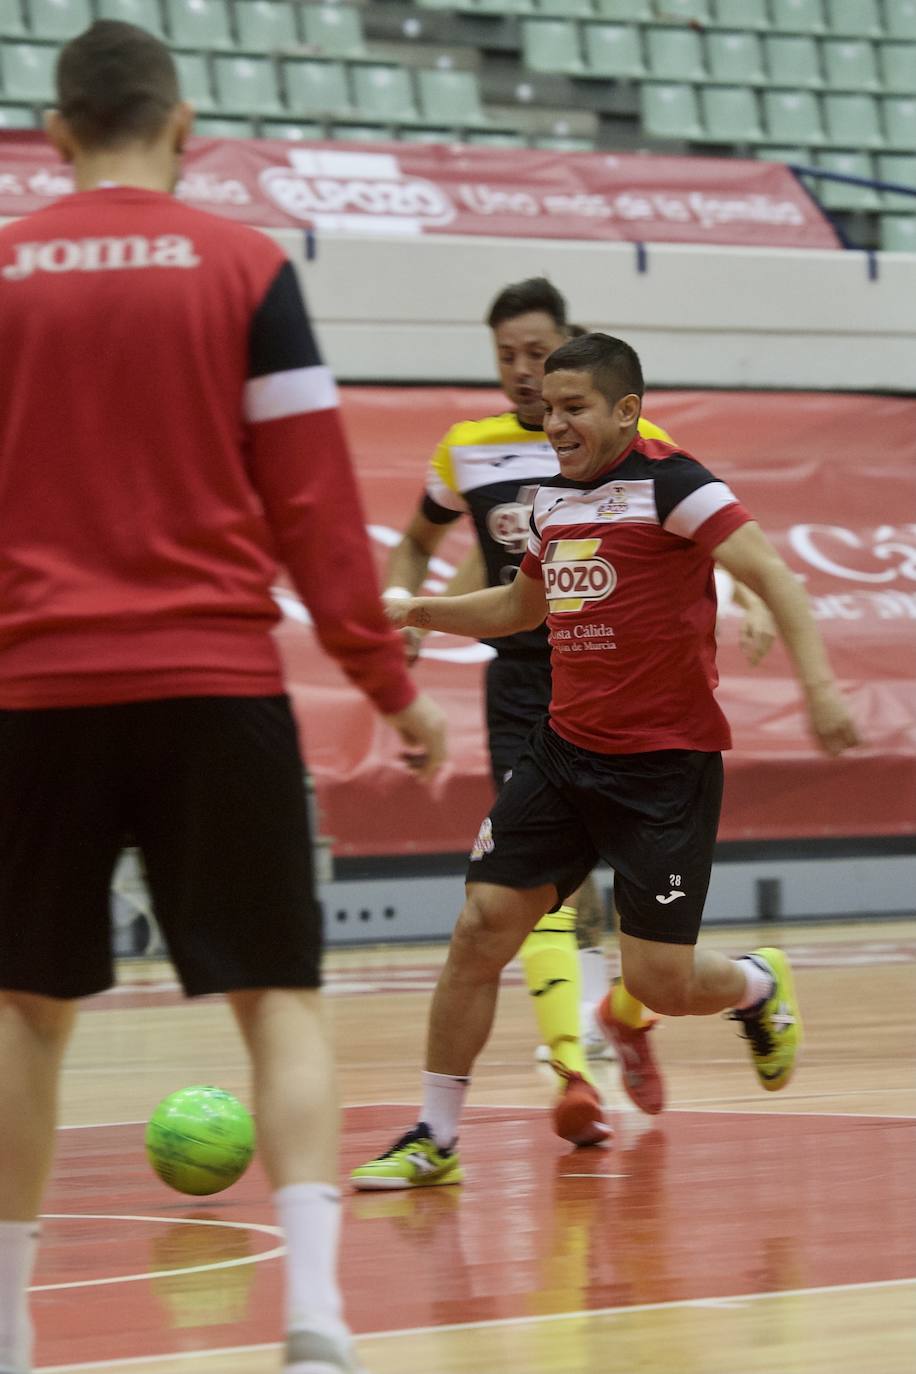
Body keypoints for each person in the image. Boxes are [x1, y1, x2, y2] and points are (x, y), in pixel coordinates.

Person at [0, 22, 445, 1374]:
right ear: (186, 125)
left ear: (57, 133)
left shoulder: (3, 270)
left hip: (34, 694)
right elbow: (310, 507)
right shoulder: (250, 267)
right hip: (214, 684)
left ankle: (7, 1333)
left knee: (24, 1008)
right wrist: (391, 683)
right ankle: (315, 1314)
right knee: (282, 999)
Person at [351, 331, 859, 1190]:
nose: (555, 423)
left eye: (574, 407)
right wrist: (421, 612)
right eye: (549, 408)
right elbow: (522, 604)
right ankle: (433, 1137)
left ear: (627, 410)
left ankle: (753, 985)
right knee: (480, 929)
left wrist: (820, 687)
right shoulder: (552, 500)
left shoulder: (675, 483)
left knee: (657, 981)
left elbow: (774, 574)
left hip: (663, 772)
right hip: (562, 755)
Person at [382, 278, 775, 1139]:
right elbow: (470, 569)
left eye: (540, 356)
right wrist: (412, 607)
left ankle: (669, 1008)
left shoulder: (646, 456)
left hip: (653, 732)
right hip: (540, 697)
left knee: (652, 966)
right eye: (508, 359)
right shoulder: (476, 453)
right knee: (502, 913)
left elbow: (722, 542)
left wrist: (754, 608)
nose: (527, 379)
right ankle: (508, 1099)